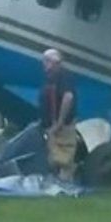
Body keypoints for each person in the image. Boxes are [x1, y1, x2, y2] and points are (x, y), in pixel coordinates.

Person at [40, 49, 78, 181]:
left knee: (63, 158)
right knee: (54, 157)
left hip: (61, 126)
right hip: (52, 126)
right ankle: (59, 182)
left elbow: (68, 97)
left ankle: (65, 184)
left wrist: (60, 122)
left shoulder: (63, 76)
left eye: (46, 61)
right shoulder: (51, 78)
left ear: (54, 62)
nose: (44, 64)